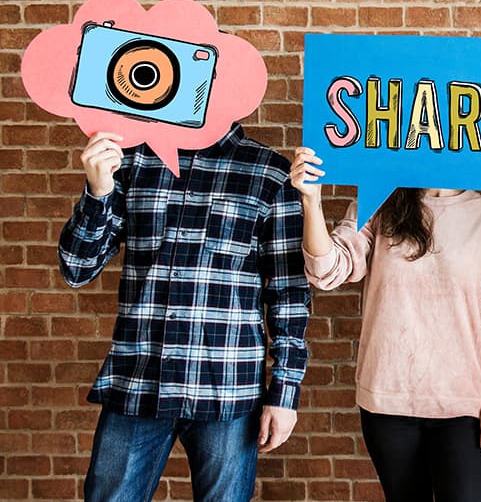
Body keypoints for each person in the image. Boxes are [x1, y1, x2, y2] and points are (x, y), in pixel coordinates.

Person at [59, 126, 311, 502]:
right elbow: (77, 267)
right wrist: (98, 192)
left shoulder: (270, 173)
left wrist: (285, 392)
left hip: (227, 389)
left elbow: (288, 294)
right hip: (138, 380)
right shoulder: (131, 161)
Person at [290, 146, 481, 502]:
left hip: (463, 404)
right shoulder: (380, 201)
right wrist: (311, 201)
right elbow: (326, 271)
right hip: (388, 400)